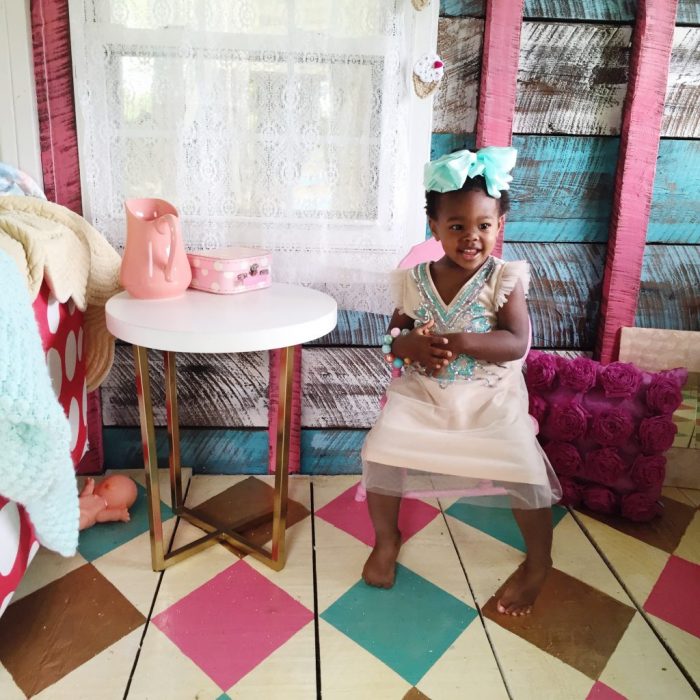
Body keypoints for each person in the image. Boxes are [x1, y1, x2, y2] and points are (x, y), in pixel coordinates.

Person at [360, 147, 562, 616]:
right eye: (457, 227)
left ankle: (539, 561)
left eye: (484, 226)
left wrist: (465, 341)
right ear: (434, 227)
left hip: (490, 397)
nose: (471, 237)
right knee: (382, 449)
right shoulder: (413, 280)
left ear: (498, 225)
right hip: (423, 393)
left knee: (522, 465)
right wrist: (406, 345)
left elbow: (516, 343)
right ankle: (387, 540)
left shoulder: (503, 279)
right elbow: (394, 335)